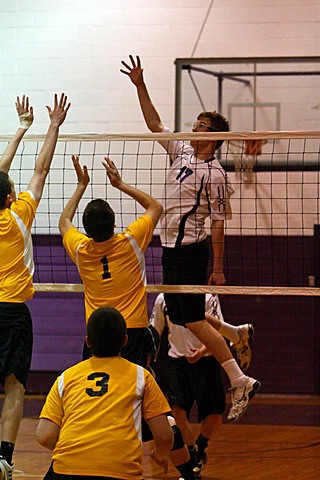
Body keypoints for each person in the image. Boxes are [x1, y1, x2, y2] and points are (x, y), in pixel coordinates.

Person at [121, 55, 261, 424]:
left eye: (201, 126)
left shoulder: (215, 175)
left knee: (191, 318)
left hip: (191, 251)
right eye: (195, 124)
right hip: (171, 249)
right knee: (186, 318)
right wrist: (140, 85)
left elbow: (218, 224)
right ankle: (236, 351)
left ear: (213, 137)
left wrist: (217, 268)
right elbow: (155, 125)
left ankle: (238, 375)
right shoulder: (182, 151)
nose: (194, 129)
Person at [0, 93, 70, 480]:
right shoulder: (19, 215)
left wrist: (19, 129)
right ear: (10, 197)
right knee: (13, 388)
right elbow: (40, 171)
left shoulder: (9, 204)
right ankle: (4, 460)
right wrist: (51, 126)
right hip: (12, 312)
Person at [36, 306, 174, 479]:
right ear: (125, 340)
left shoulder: (66, 377)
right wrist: (158, 455)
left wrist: (78, 450)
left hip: (66, 470)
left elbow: (44, 435)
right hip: (120, 472)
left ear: (87, 342)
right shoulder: (141, 376)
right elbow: (165, 437)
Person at [150, 293, 227, 479]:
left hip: (205, 361)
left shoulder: (208, 297)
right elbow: (155, 331)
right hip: (176, 361)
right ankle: (192, 454)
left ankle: (201, 446)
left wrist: (201, 351)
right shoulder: (163, 298)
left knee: (215, 415)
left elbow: (219, 330)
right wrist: (148, 360)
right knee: (177, 410)